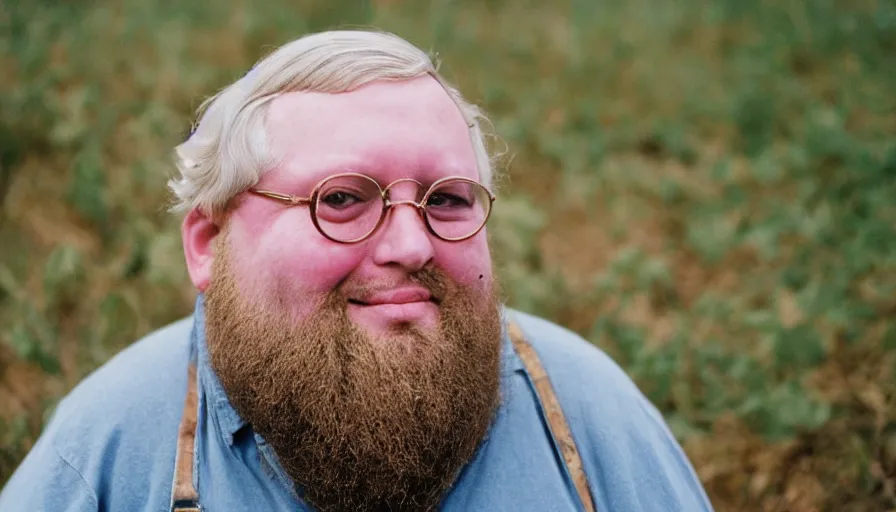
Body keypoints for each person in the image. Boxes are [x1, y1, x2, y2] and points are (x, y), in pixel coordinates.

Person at [0, 30, 714, 512]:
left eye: (447, 199)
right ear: (207, 243)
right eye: (341, 199)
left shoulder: (588, 423)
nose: (411, 243)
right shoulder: (106, 456)